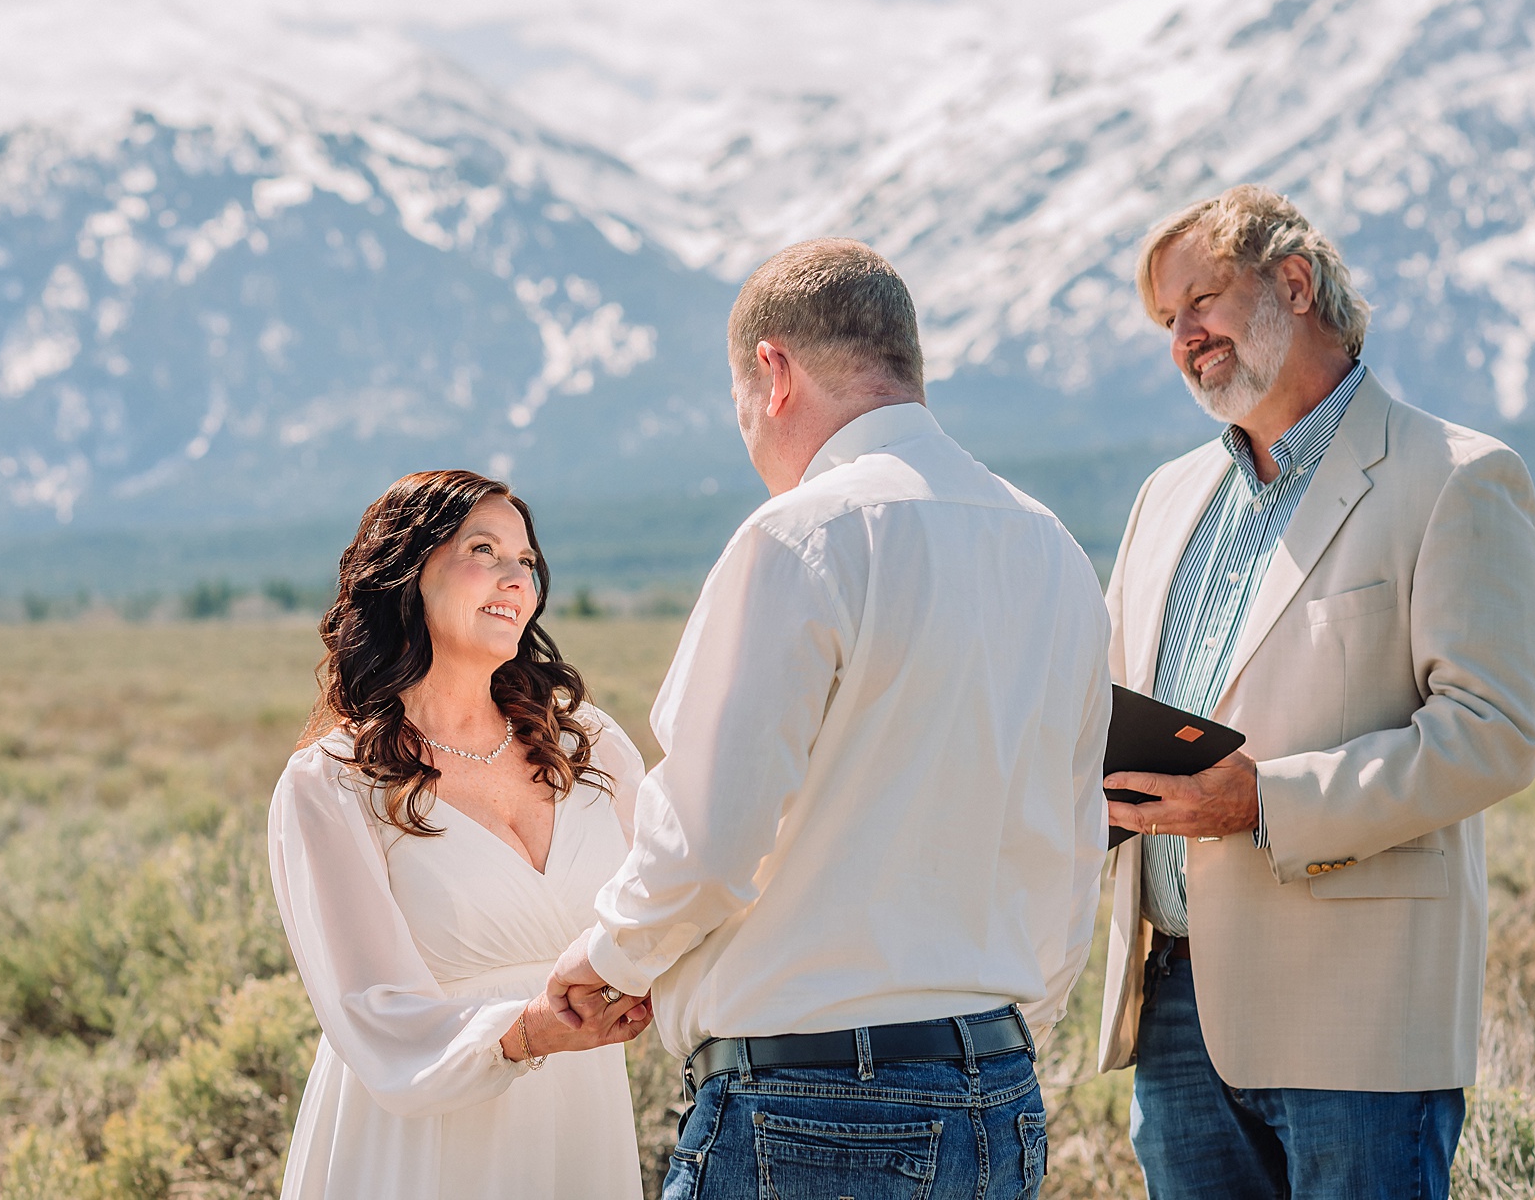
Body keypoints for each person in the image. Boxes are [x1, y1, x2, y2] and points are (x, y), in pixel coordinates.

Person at [544, 238, 1111, 1199]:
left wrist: (607, 954)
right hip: (999, 1089)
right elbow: (1075, 836)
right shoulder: (1051, 547)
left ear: (773, 372)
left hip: (808, 1108)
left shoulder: (802, 535)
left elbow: (711, 837)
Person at [1096, 185, 1535, 1199]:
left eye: (1200, 300)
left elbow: (1493, 735)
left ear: (1293, 284)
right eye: (1167, 321)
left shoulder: (1455, 478)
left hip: (1358, 1022)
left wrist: (1266, 801)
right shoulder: (1161, 500)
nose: (1183, 338)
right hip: (1171, 1008)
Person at [267, 469, 655, 1200]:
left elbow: (675, 896)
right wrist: (531, 1030)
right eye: (485, 549)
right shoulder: (331, 783)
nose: (516, 580)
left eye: (528, 562)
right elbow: (374, 1010)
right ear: (407, 577)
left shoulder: (590, 745)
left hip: (577, 1120)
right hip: (415, 1142)